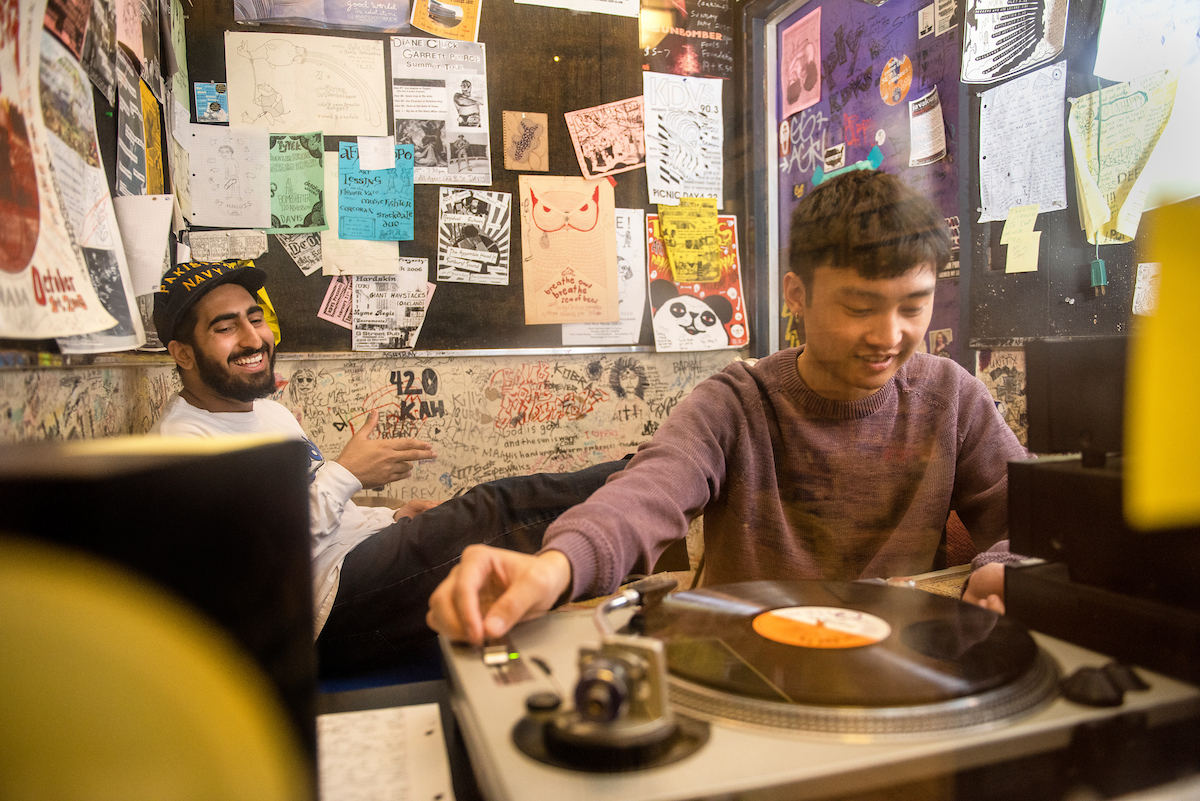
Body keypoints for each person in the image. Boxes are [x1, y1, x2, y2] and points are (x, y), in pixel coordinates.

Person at [428, 170, 1027, 646]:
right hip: (744, 666)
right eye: (860, 306)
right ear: (797, 295)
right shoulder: (736, 403)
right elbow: (648, 493)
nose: (889, 335)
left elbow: (1033, 519)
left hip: (898, 667)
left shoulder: (952, 396)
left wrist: (1005, 565)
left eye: (913, 307)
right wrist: (556, 566)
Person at [150, 260, 626, 676]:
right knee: (493, 512)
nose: (254, 338)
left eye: (256, 318)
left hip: (353, 563)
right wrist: (346, 473)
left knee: (476, 511)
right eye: (225, 327)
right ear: (183, 353)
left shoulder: (264, 411)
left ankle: (642, 484)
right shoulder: (181, 445)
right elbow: (252, 565)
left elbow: (326, 514)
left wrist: (390, 519)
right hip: (318, 614)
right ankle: (647, 480)